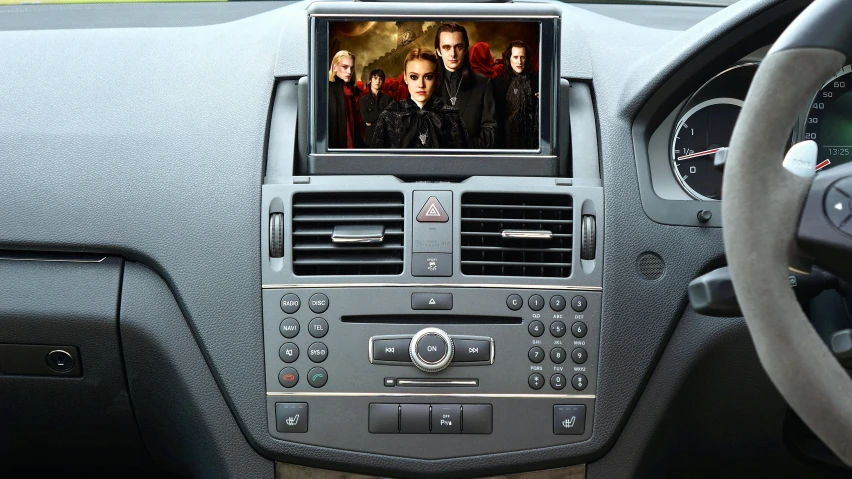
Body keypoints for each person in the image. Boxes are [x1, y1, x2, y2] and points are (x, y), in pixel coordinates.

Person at [371, 49, 469, 149]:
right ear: (405, 77)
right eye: (414, 77)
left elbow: (464, 162)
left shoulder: (451, 117)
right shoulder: (389, 117)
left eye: (428, 77)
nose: (421, 85)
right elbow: (376, 163)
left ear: (436, 78)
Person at [433, 23, 497, 149]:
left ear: (466, 48)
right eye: (446, 47)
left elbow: (491, 133)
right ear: (438, 51)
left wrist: (462, 145)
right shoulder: (429, 85)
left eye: (458, 47)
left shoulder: (483, 84)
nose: (453, 54)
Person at [493, 40, 539, 149]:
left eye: (522, 57)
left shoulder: (537, 82)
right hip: (505, 137)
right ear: (509, 58)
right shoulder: (497, 82)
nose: (519, 62)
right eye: (515, 57)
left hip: (530, 137)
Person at [327, 50, 359, 149]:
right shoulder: (328, 89)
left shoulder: (350, 90)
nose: (349, 71)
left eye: (351, 68)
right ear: (335, 67)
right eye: (345, 67)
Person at [359, 69, 394, 147]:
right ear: (370, 80)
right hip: (370, 138)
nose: (378, 81)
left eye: (380, 79)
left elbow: (391, 119)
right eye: (375, 78)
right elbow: (366, 118)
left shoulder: (388, 99)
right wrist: (385, 111)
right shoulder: (363, 99)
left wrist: (372, 121)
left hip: (385, 137)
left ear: (383, 81)